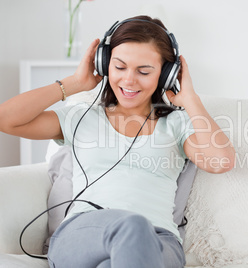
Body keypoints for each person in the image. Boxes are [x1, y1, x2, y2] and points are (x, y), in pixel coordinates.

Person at [0, 15, 235, 268]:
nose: (129, 80)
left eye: (144, 71)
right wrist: (74, 83)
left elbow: (221, 161)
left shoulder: (177, 124)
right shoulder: (81, 117)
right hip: (82, 233)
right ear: (103, 64)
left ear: (166, 75)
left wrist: (190, 99)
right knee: (131, 225)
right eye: (119, 67)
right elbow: (7, 120)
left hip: (159, 240)